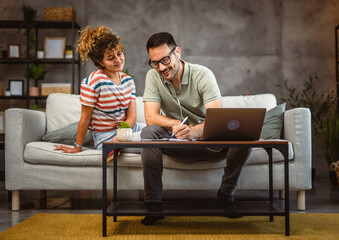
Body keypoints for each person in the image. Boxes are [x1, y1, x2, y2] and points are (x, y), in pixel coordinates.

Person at [140, 32, 252, 225]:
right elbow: (151, 117)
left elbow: (216, 117)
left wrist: (193, 132)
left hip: (208, 143)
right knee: (148, 133)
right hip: (175, 141)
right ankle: (153, 204)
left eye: (165, 59)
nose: (162, 67)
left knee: (244, 136)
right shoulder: (153, 76)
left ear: (178, 52)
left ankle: (226, 194)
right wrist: (178, 125)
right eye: (155, 62)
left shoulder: (202, 74)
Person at [54, 26, 142, 154]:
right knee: (155, 139)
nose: (118, 60)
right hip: (106, 138)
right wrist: (77, 147)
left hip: (127, 131)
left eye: (119, 54)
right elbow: (85, 118)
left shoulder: (128, 81)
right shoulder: (93, 82)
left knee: (161, 131)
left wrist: (122, 135)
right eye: (111, 58)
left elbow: (132, 116)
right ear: (100, 61)